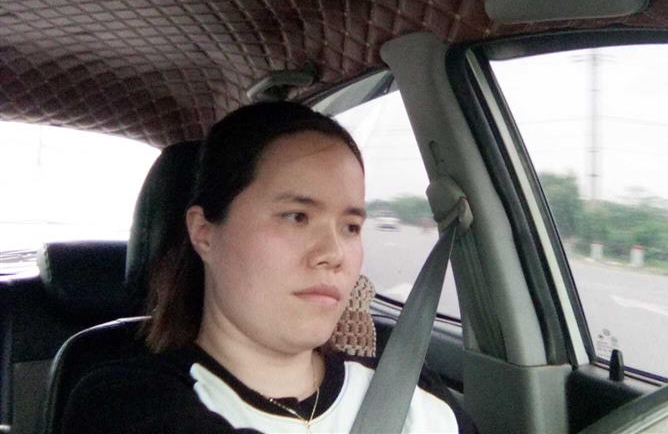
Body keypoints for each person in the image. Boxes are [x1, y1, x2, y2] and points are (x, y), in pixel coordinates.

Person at [62, 101, 474, 433]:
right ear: (204, 233)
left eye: (350, 226)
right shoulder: (124, 402)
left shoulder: (405, 384)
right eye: (297, 217)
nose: (334, 253)